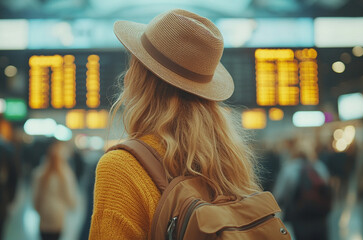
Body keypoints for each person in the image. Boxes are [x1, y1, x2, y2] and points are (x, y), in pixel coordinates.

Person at [89, 9, 260, 239]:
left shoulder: (122, 167)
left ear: (141, 81)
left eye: (133, 64)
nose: (126, 76)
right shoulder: (228, 164)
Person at [32, 139, 78, 240]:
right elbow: (69, 196)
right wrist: (72, 205)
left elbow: (36, 196)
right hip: (58, 215)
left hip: (44, 213)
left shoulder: (40, 173)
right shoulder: (65, 175)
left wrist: (37, 208)